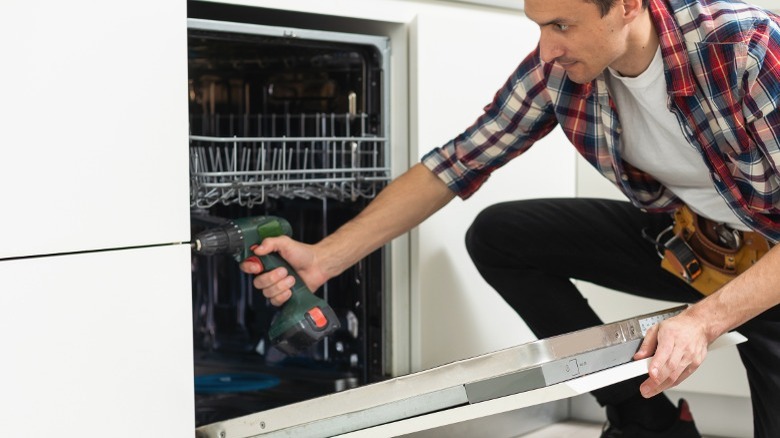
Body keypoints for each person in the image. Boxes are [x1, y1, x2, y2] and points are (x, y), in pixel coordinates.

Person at [241, 0, 780, 436]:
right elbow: (455, 163)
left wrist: (703, 320)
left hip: (771, 264)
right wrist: (322, 259)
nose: (548, 47)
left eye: (562, 25)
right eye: (539, 25)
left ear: (628, 7)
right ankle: (645, 422)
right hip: (699, 245)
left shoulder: (746, 50)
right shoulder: (562, 69)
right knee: (501, 237)